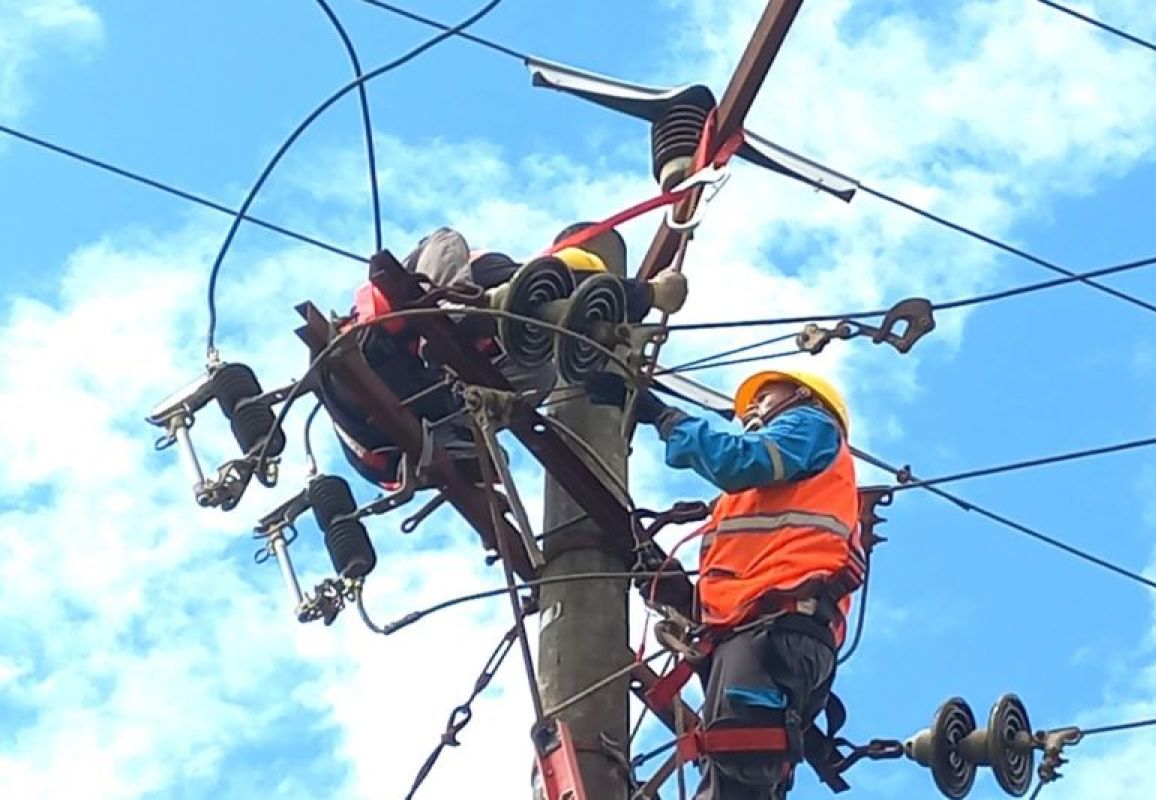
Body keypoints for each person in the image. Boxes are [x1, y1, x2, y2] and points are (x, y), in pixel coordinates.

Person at [585, 369, 866, 799]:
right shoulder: (765, 494)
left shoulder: (812, 425)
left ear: (803, 395)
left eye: (765, 396)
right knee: (734, 763)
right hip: (765, 635)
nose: (753, 409)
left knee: (738, 759)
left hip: (774, 628)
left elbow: (738, 460)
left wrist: (659, 414)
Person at [319, 223, 687, 490]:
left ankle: (462, 431)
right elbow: (547, 291)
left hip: (395, 449)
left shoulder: (522, 344)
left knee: (539, 370)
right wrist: (649, 294)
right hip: (364, 368)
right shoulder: (490, 270)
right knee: (450, 242)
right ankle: (451, 311)